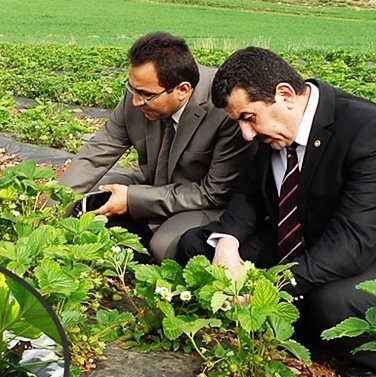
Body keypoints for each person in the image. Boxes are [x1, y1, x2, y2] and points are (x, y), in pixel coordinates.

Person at [176, 46, 376, 377]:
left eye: (248, 118)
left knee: (334, 303)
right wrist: (227, 244)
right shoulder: (274, 130)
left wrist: (269, 286)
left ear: (285, 95)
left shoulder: (371, 131)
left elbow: (353, 243)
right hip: (311, 237)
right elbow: (249, 194)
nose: (246, 134)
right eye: (238, 122)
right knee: (197, 245)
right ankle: (285, 324)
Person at [59, 31, 255, 261]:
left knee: (164, 247)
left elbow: (212, 193)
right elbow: (96, 153)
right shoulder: (140, 92)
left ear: (182, 90)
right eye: (132, 88)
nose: (135, 101)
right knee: (84, 199)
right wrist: (50, 209)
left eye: (145, 94)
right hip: (155, 186)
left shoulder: (223, 108)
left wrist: (133, 199)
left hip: (203, 203)